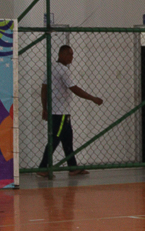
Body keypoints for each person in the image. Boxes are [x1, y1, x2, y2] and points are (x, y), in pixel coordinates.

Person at [37, 45, 103, 177]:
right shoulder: (63, 70)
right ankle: (43, 167)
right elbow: (74, 88)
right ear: (61, 55)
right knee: (54, 140)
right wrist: (92, 98)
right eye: (70, 54)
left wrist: (45, 108)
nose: (72, 57)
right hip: (60, 113)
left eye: (72, 54)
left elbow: (44, 88)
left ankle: (73, 167)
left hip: (59, 112)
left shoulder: (51, 67)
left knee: (67, 140)